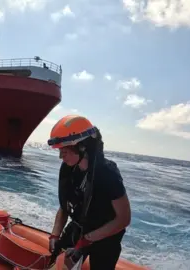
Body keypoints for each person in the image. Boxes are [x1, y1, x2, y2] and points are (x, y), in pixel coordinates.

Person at [47, 115, 131, 270]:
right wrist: (55, 234)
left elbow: (123, 219)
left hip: (106, 238)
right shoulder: (68, 170)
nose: (60, 157)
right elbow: (65, 205)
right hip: (79, 229)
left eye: (64, 152)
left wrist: (87, 240)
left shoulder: (108, 174)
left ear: (82, 147)